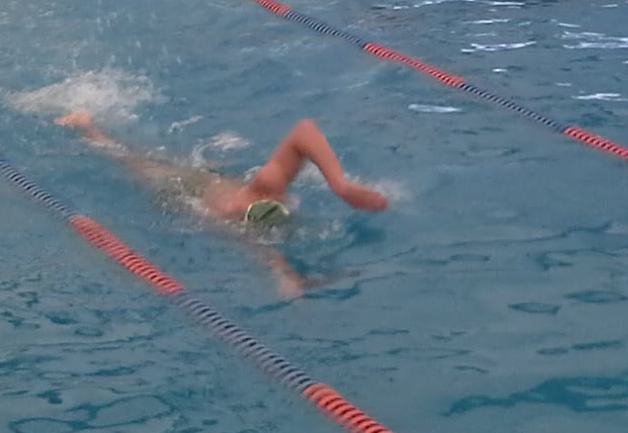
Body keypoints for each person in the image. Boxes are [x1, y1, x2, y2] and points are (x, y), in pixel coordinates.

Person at [57, 113, 387, 298]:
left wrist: (341, 185)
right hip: (181, 187)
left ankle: (90, 126)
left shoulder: (267, 191)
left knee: (150, 159)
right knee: (132, 161)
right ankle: (88, 126)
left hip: (209, 183)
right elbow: (260, 249)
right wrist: (285, 275)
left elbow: (305, 130)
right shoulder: (232, 212)